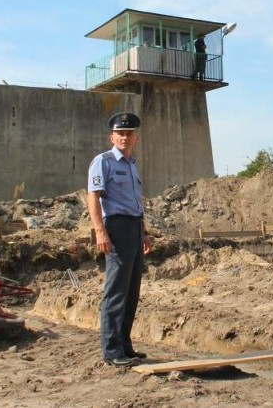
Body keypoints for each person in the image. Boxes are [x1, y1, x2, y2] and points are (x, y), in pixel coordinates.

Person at [87, 112, 152, 367]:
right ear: (111, 136)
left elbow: (136, 203)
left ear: (135, 137)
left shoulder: (132, 164)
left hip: (134, 227)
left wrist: (144, 232)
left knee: (131, 290)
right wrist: (100, 231)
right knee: (115, 291)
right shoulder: (102, 162)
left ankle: (125, 345)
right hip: (116, 228)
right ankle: (112, 351)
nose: (125, 137)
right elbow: (93, 197)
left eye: (129, 133)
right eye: (120, 133)